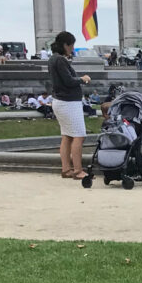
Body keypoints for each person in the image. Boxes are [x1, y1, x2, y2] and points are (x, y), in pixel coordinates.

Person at [48, 30, 92, 179]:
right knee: (79, 136)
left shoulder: (53, 59)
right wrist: (83, 79)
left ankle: (66, 169)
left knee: (67, 136)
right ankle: (78, 170)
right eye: (72, 45)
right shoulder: (60, 60)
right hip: (68, 103)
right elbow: (68, 81)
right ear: (66, 45)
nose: (73, 48)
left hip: (60, 102)